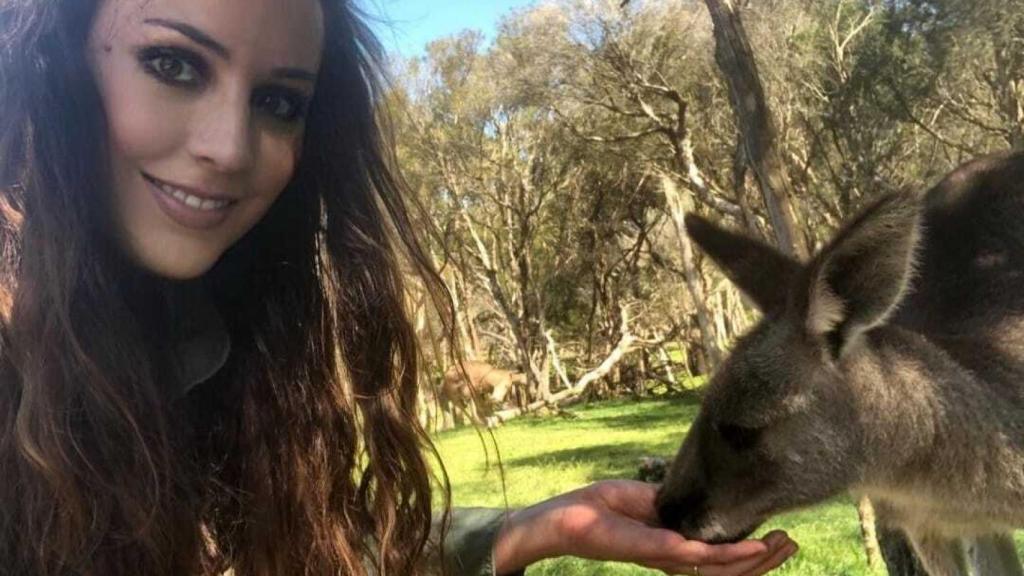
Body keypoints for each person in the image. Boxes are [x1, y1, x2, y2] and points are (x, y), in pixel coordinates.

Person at [0, 0, 798, 574]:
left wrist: (529, 528)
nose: (230, 147)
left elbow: (296, 550)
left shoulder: (214, 337)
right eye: (173, 64)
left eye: (279, 102)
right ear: (54, 60)